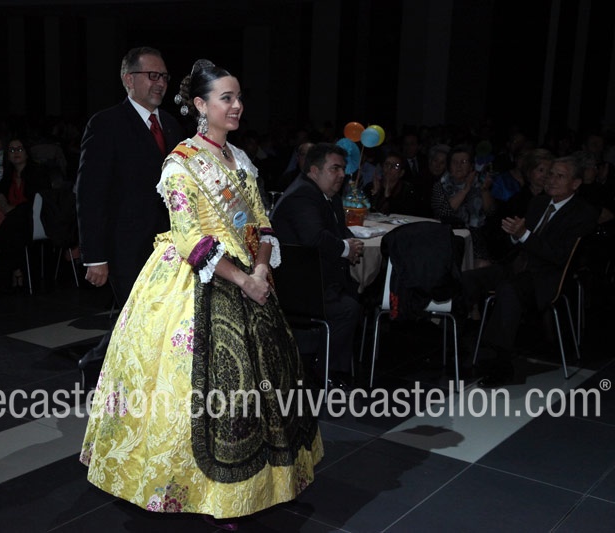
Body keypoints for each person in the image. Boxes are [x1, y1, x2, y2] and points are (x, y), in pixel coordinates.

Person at [80, 59, 322, 526]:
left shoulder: (241, 159)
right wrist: (244, 279)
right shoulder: (181, 163)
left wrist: (261, 266)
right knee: (211, 388)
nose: (237, 106)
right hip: (198, 280)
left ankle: (260, 484)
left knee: (259, 385)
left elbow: (260, 219)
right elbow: (190, 237)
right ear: (200, 105)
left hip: (250, 275)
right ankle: (207, 491)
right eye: (226, 98)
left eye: (239, 97)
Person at [75, 46, 183, 368]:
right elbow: (90, 193)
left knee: (145, 319)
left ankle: (102, 369)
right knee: (139, 316)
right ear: (128, 79)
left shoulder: (172, 126)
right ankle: (98, 368)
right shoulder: (106, 124)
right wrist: (95, 256)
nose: (160, 83)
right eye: (152, 75)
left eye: (164, 76)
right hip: (125, 248)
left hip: (166, 247)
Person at [461, 156, 598, 386]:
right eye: (550, 174)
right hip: (518, 266)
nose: (551, 180)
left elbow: (559, 256)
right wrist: (516, 236)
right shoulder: (538, 202)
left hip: (546, 277)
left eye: (560, 176)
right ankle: (457, 344)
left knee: (508, 290)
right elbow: (519, 242)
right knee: (468, 279)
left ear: (575, 183)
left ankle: (501, 363)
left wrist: (524, 235)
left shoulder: (582, 213)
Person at [271, 142, 365, 388]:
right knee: (347, 308)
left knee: (356, 295)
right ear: (314, 170)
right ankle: (326, 371)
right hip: (296, 287)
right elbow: (314, 238)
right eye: (335, 169)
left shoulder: (327, 196)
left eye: (343, 169)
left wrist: (349, 244)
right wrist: (346, 248)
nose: (342, 175)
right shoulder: (303, 195)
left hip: (317, 278)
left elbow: (338, 232)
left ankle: (328, 364)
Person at [0, 138, 50, 290]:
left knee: (19, 213)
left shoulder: (38, 172)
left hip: (37, 221)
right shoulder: (8, 174)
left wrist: (12, 209)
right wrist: (1, 197)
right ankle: (17, 270)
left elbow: (38, 201)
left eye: (19, 149)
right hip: (17, 226)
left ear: (26, 152)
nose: (16, 153)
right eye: (12, 150)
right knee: (13, 227)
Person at [431, 144, 496, 268]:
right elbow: (444, 212)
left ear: (471, 166)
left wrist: (484, 190)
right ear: (449, 166)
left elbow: (491, 212)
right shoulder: (440, 185)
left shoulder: (480, 183)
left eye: (463, 162)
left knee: (484, 265)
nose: (459, 166)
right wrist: (466, 188)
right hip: (449, 236)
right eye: (454, 162)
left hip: (475, 238)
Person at [364, 151, 420, 216]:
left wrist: (388, 197)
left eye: (396, 166)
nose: (389, 168)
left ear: (401, 173)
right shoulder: (371, 186)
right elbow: (366, 212)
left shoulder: (408, 190)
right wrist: (374, 195)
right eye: (387, 164)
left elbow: (406, 214)